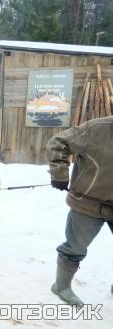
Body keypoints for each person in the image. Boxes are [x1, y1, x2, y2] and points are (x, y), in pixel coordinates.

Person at [46, 115, 113, 305]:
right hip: (88, 203)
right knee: (75, 247)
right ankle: (61, 286)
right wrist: (59, 173)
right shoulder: (96, 128)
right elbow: (57, 143)